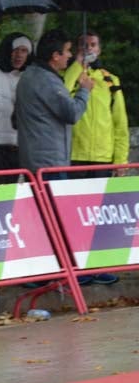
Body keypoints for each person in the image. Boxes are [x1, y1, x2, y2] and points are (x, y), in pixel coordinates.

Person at [65, 30, 125, 285]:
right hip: (75, 156)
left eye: (92, 45)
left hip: (102, 158)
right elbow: (62, 94)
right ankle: (76, 269)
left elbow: (120, 124)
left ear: (100, 49)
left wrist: (120, 161)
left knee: (99, 217)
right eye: (83, 45)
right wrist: (77, 67)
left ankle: (98, 267)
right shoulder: (70, 75)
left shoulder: (111, 81)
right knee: (74, 215)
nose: (89, 48)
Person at [15, 29, 92, 180]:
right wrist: (84, 91)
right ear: (55, 56)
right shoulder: (46, 80)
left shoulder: (30, 75)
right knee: (54, 203)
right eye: (68, 51)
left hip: (37, 159)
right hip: (48, 163)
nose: (70, 55)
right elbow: (72, 113)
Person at [0, 33, 32, 185]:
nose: (19, 55)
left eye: (24, 50)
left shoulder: (30, 76)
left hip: (19, 147)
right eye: (15, 50)